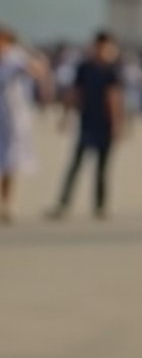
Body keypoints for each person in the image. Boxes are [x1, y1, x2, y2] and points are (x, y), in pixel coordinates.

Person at [47, 31, 122, 220]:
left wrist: (116, 124)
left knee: (102, 169)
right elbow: (75, 93)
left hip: (104, 125)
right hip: (86, 123)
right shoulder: (84, 68)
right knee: (75, 165)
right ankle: (64, 203)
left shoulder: (111, 70)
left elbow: (114, 99)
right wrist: (65, 116)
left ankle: (100, 206)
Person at [0, 26, 49, 224]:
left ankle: (6, 203)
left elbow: (38, 70)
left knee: (9, 162)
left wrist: (31, 58)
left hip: (12, 119)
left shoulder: (15, 59)